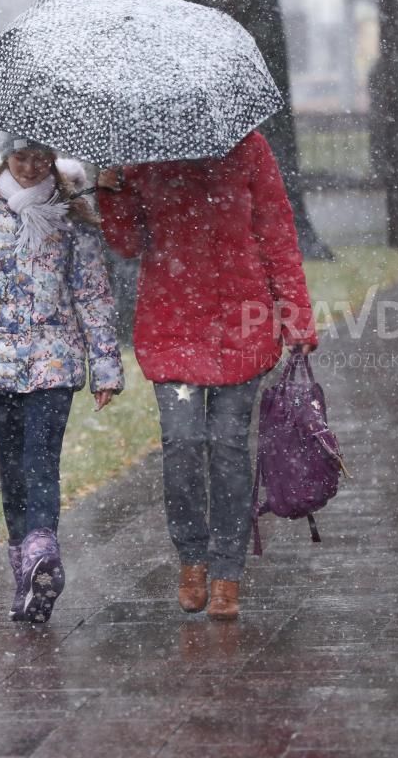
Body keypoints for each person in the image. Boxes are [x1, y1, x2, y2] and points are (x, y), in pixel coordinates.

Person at [96, 130, 318, 621]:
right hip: (172, 323)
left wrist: (295, 315)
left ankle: (227, 574)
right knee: (181, 443)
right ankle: (192, 558)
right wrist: (111, 191)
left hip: (242, 322)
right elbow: (127, 243)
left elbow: (277, 231)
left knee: (229, 447)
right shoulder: (143, 149)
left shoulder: (250, 147)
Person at [0, 132, 125, 623]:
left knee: (41, 460)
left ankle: (43, 550)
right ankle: (27, 566)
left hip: (53, 362)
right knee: (12, 471)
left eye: (43, 157)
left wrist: (105, 367)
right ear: (4, 157)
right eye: (22, 157)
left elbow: (93, 295)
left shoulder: (71, 213)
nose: (33, 166)